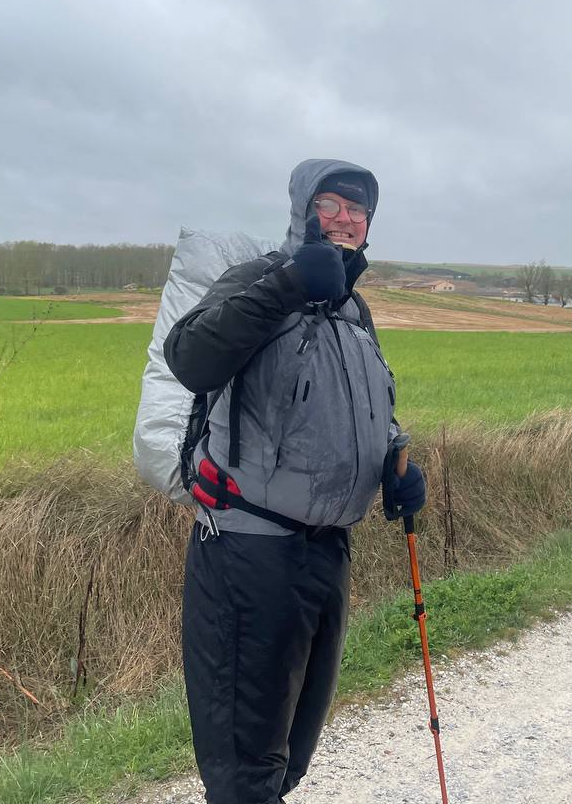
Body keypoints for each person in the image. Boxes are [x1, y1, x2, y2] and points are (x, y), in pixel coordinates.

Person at [164, 158, 427, 804]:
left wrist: (394, 466)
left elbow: (363, 408)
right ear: (303, 210)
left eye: (357, 210)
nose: (344, 219)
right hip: (250, 552)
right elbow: (190, 357)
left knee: (288, 757)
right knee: (244, 771)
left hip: (325, 554)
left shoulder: (354, 312)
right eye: (330, 204)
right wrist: (287, 286)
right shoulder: (260, 279)